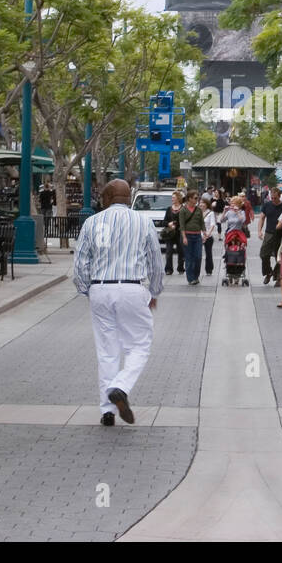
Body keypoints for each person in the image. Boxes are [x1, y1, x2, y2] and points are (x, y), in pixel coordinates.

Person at [71, 179, 165, 426]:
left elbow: (80, 263)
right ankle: (121, 387)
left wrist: (87, 290)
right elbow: (156, 261)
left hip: (101, 287)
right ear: (127, 196)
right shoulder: (143, 222)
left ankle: (107, 410)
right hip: (132, 287)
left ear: (108, 197)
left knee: (107, 350)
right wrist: (154, 291)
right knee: (139, 346)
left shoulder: (92, 222)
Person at [258, 186, 282, 286]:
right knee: (263, 254)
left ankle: (278, 277)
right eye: (272, 197)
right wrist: (259, 231)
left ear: (280, 196)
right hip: (269, 233)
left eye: (275, 198)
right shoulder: (267, 205)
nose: (273, 199)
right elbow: (262, 218)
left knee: (279, 257)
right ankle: (269, 272)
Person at [179, 189, 206, 285]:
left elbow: (201, 222)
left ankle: (196, 276)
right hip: (187, 236)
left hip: (197, 236)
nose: (197, 199)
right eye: (195, 198)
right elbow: (181, 225)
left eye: (197, 198)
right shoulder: (183, 210)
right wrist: (184, 237)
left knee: (198, 257)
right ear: (189, 199)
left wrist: (204, 231)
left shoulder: (198, 209)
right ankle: (190, 279)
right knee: (189, 258)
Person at [161, 190, 183, 275]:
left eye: (174, 197)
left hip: (179, 233)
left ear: (178, 198)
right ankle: (168, 269)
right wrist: (169, 224)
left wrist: (176, 225)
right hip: (170, 234)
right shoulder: (169, 209)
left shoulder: (183, 208)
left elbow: (185, 221)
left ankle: (180, 268)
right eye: (172, 197)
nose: (172, 199)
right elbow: (164, 222)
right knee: (169, 252)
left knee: (181, 251)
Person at [203, 198, 220, 276]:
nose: (201, 204)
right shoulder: (197, 212)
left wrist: (207, 235)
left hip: (208, 236)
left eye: (203, 203)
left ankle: (209, 269)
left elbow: (212, 225)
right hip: (197, 236)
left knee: (208, 254)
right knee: (196, 255)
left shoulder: (211, 213)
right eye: (200, 203)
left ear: (207, 204)